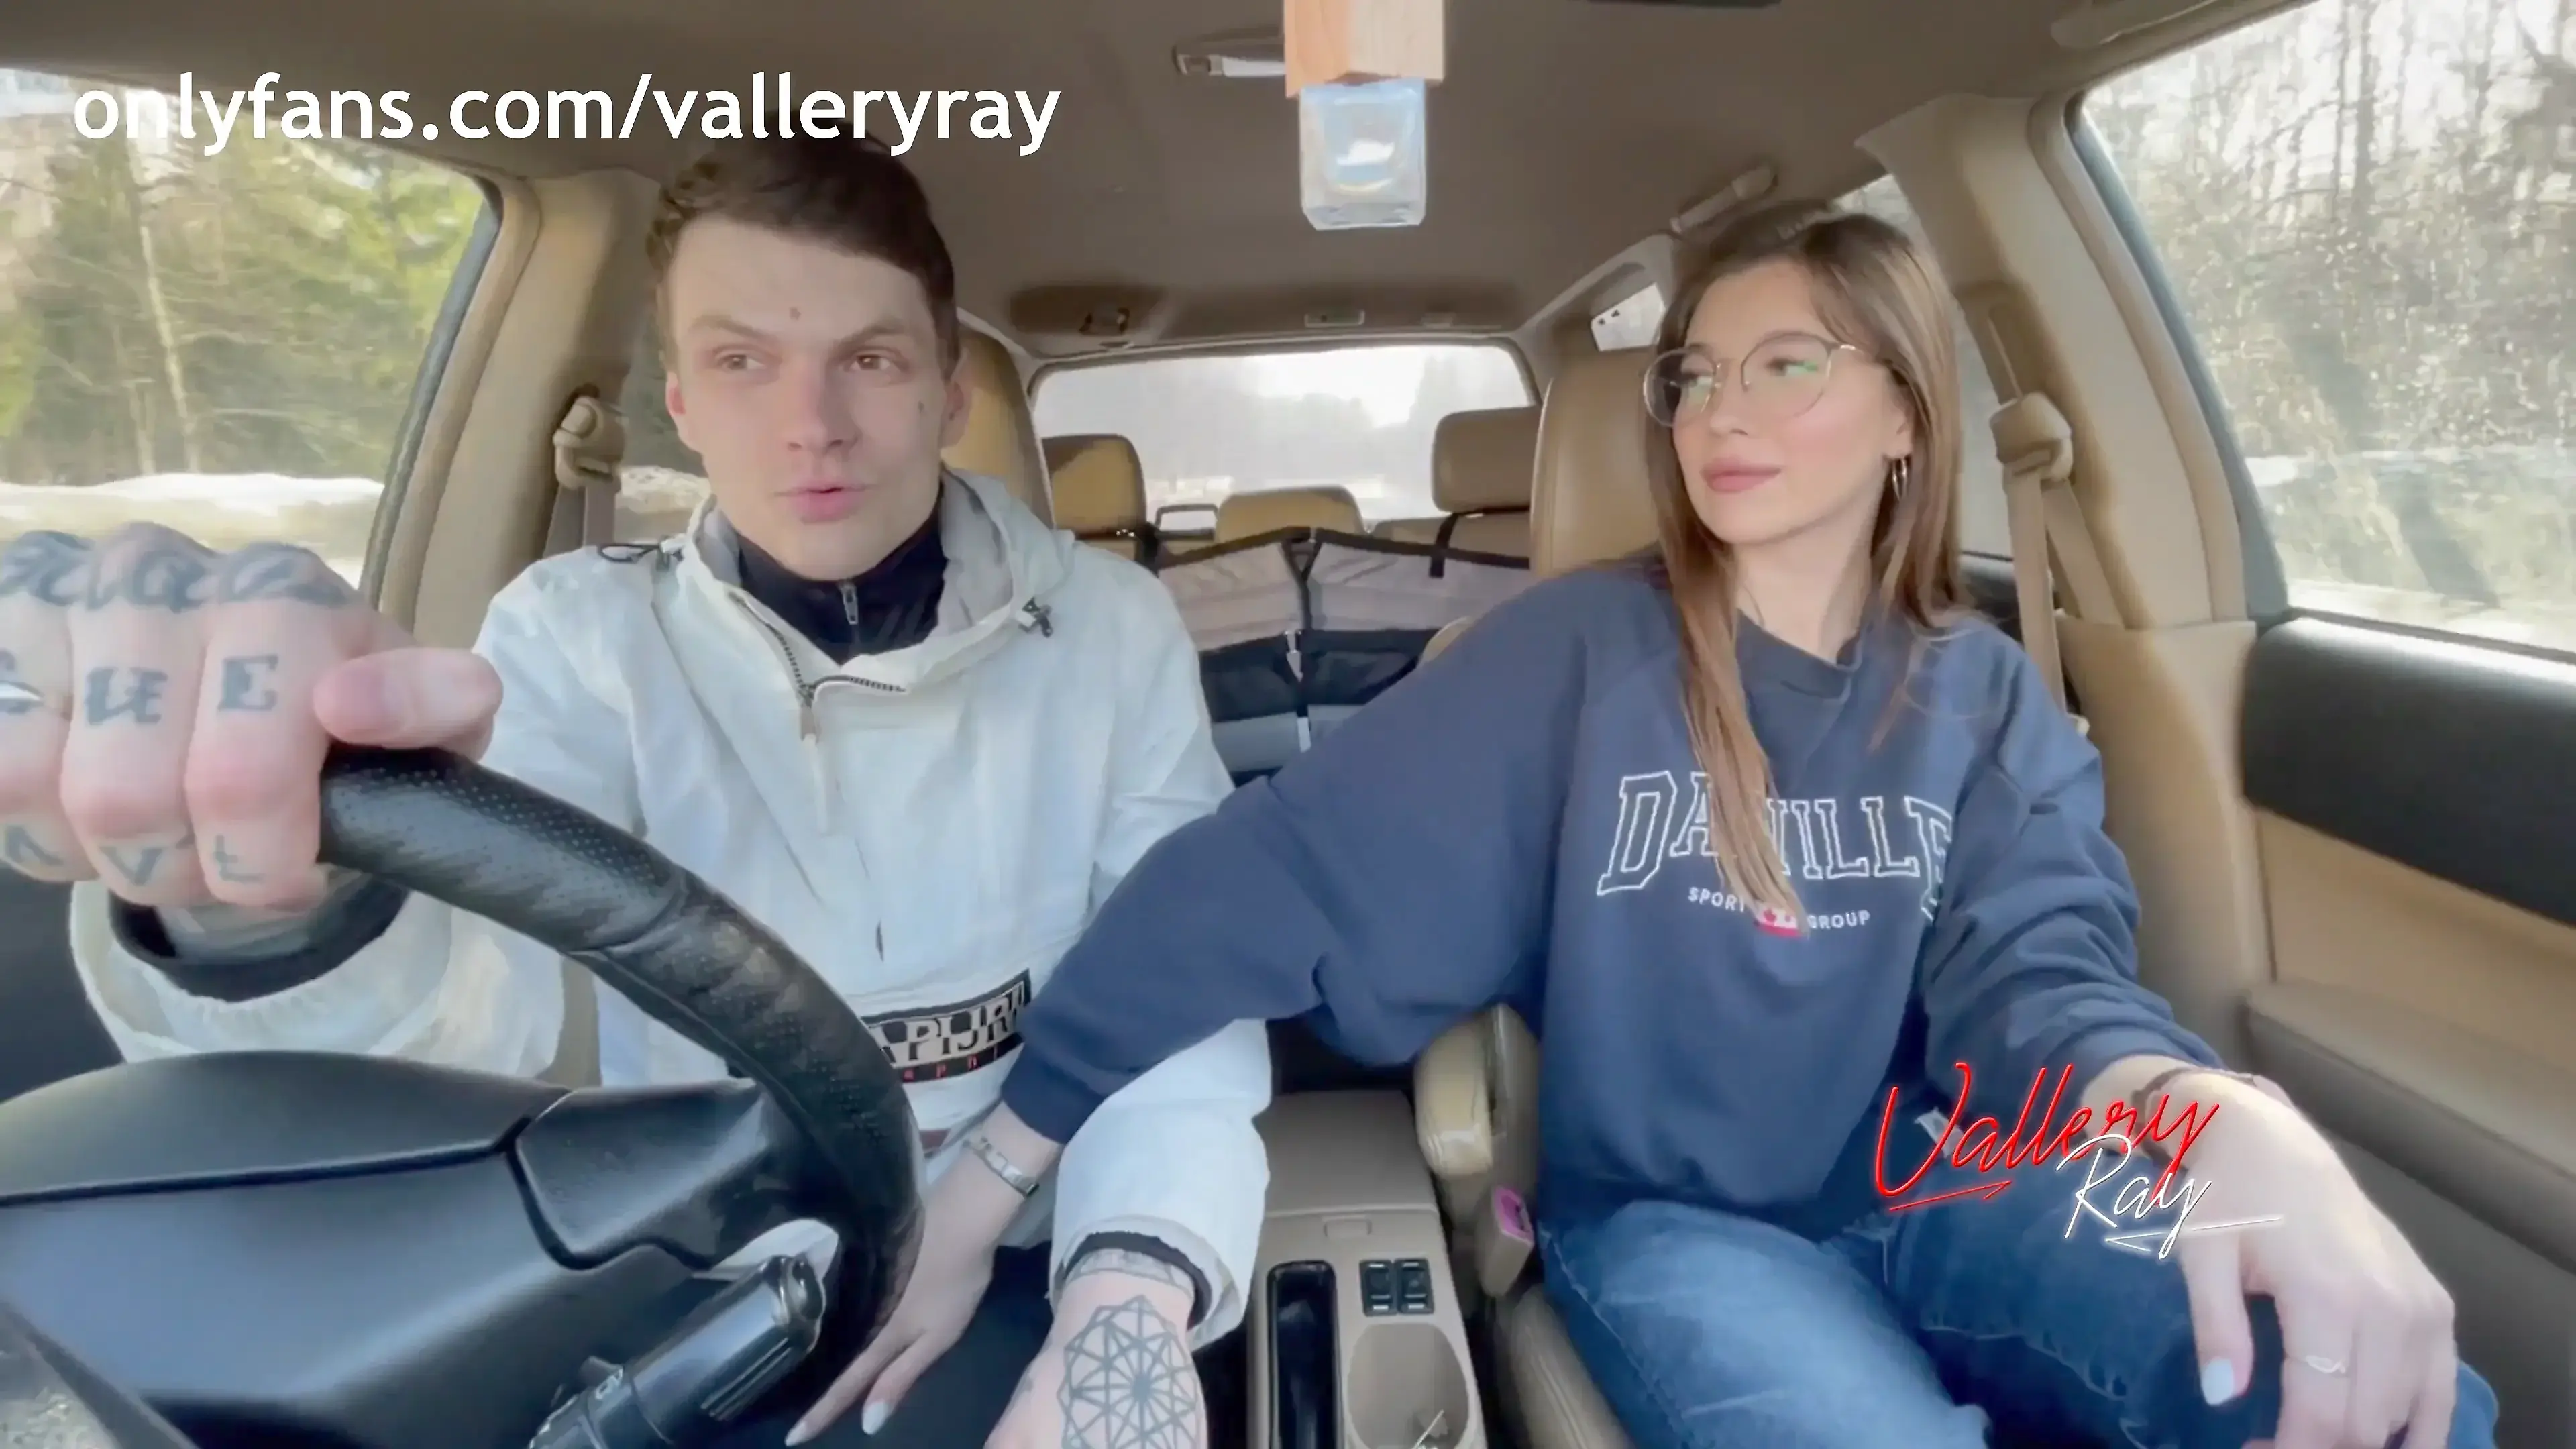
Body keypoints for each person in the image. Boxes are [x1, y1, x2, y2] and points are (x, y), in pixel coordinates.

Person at [974, 202, 2504, 1449]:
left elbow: (2043, 982)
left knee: (2377, 1380)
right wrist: (1000, 1159)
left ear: (1906, 412)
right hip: (1676, 1229)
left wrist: (2212, 1115)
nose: (1721, 410)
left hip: (1952, 1182)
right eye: (1697, 375)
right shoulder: (1568, 658)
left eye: (1787, 365)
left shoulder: (1979, 692)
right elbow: (1277, 879)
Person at [0, 134, 1266, 1449]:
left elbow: (1180, 979)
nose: (811, 423)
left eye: (871, 360)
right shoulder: (573, 640)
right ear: (681, 400)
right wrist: (288, 901)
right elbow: (468, 1011)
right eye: (742, 362)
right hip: (721, 1279)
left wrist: (1131, 1287)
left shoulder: (1112, 626)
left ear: (949, 392)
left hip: (1049, 1232)